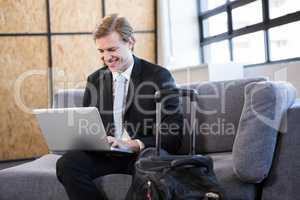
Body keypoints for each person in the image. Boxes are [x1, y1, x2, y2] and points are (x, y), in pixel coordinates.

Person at [56, 14, 183, 200]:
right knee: (67, 163)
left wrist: (133, 144)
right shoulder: (95, 80)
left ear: (130, 42)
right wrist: (87, 139)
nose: (106, 57)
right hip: (107, 154)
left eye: (112, 49)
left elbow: (174, 134)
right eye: (101, 51)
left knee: (149, 163)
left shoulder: (158, 76)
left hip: (141, 154)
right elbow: (88, 127)